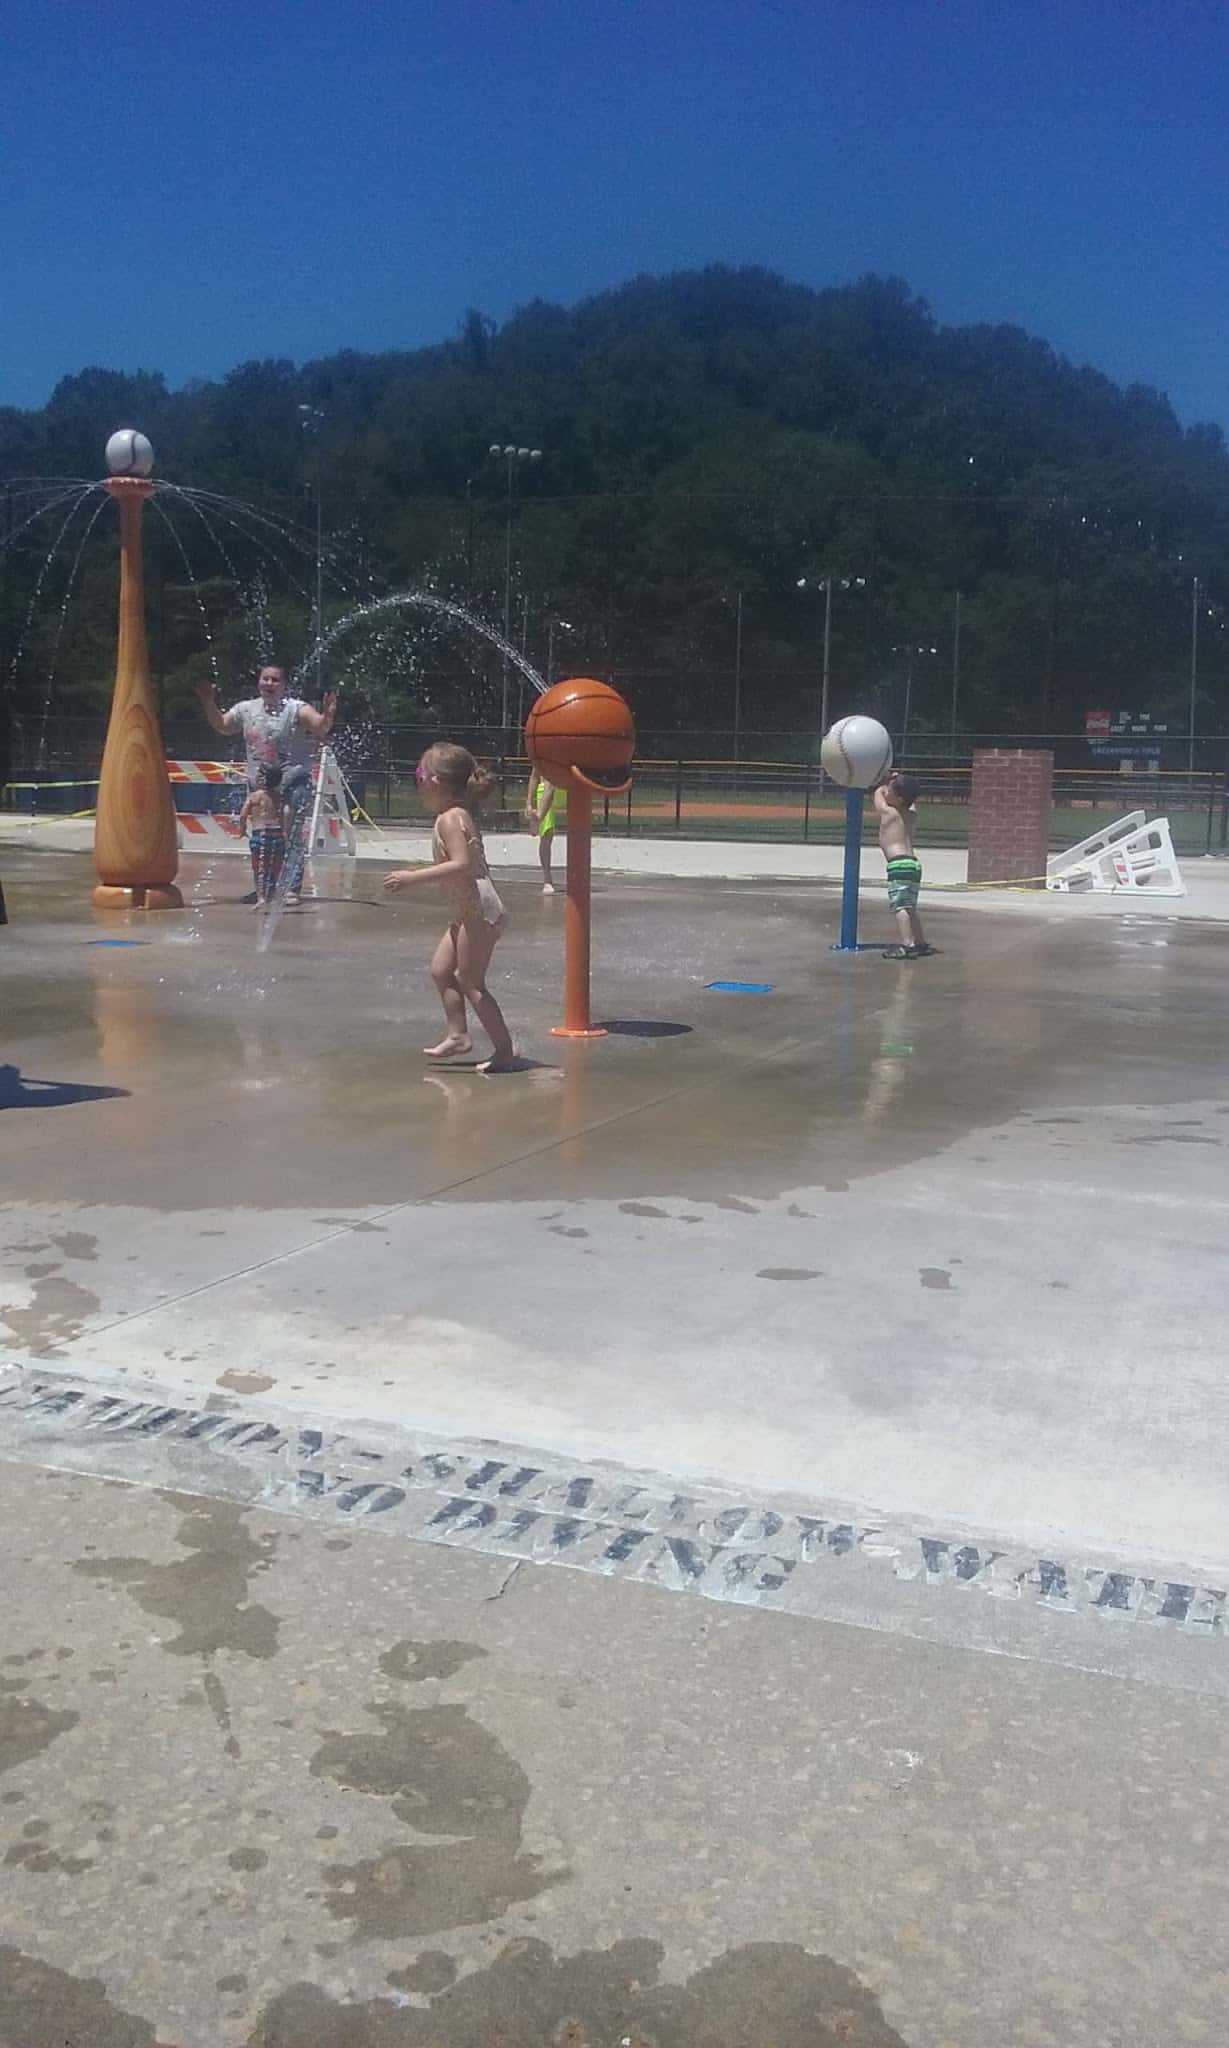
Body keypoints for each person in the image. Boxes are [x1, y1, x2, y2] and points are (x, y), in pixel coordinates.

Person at [382, 743, 515, 1073]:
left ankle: (504, 1050)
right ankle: (458, 1035)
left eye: (419, 775)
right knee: (442, 970)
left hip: (479, 908)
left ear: (436, 781)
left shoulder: (450, 819)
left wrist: (412, 878)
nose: (416, 782)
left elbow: (462, 863)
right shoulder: (451, 816)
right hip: (466, 909)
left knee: (470, 981)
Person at [195, 664, 337, 903]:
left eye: (274, 680)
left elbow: (320, 726)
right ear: (259, 681)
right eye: (265, 679)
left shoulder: (296, 709)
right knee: (262, 836)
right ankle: (265, 888)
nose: (269, 684)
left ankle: (292, 887)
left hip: (294, 780)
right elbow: (221, 725)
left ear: (283, 685)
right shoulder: (246, 709)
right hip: (261, 785)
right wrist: (209, 701)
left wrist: (329, 714)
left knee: (291, 831)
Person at [872, 771, 934, 959]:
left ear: (898, 798)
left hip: (898, 864)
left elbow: (877, 795)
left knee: (900, 907)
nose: (886, 792)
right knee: (910, 907)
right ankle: (921, 942)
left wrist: (885, 781)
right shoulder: (912, 815)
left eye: (890, 791)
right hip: (913, 864)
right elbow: (909, 800)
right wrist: (897, 783)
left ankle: (907, 944)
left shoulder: (889, 812)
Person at [238, 766, 290, 906]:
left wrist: (242, 830)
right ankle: (276, 895)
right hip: (277, 834)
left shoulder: (254, 796)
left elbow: (243, 815)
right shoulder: (280, 797)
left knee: (259, 868)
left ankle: (261, 897)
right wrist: (285, 831)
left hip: (259, 835)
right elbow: (286, 812)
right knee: (277, 867)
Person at [524, 768, 565, 893]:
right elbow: (535, 775)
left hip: (566, 786)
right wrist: (529, 803)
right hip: (547, 789)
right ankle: (547, 879)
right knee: (546, 835)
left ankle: (538, 817)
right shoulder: (543, 751)